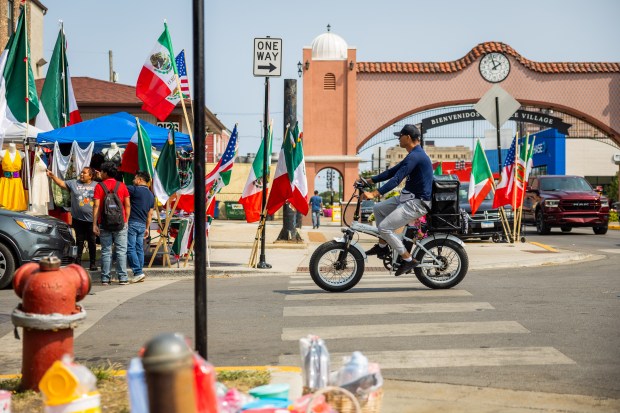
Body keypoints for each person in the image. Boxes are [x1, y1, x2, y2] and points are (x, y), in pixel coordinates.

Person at [361, 124, 433, 276]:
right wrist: (370, 180)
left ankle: (408, 259)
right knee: (378, 209)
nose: (398, 139)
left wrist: (374, 193)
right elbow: (392, 172)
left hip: (418, 203)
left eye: (400, 136)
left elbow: (396, 179)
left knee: (385, 228)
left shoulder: (416, 156)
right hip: (408, 198)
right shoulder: (413, 154)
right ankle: (382, 246)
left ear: (407, 137)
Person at [47, 167, 98, 270]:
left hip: (92, 221)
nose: (82, 174)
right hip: (78, 219)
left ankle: (93, 264)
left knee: (92, 242)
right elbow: (61, 183)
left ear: (91, 176)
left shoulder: (96, 185)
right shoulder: (74, 183)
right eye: (81, 172)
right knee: (79, 241)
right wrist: (52, 176)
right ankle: (77, 263)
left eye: (84, 173)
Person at [93, 162, 131, 285]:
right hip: (121, 223)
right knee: (121, 251)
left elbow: (96, 206)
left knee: (106, 251)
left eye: (101, 171)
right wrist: (126, 220)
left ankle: (105, 278)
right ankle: (123, 277)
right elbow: (128, 205)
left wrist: (95, 224)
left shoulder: (99, 186)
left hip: (104, 223)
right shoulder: (122, 186)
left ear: (105, 173)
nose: (100, 173)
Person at [126, 171, 155, 283]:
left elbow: (120, 188)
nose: (133, 180)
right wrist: (147, 228)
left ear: (140, 179)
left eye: (135, 178)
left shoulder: (134, 189)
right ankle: (140, 272)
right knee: (139, 249)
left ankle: (138, 272)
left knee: (130, 248)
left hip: (133, 222)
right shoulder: (151, 195)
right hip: (142, 224)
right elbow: (150, 214)